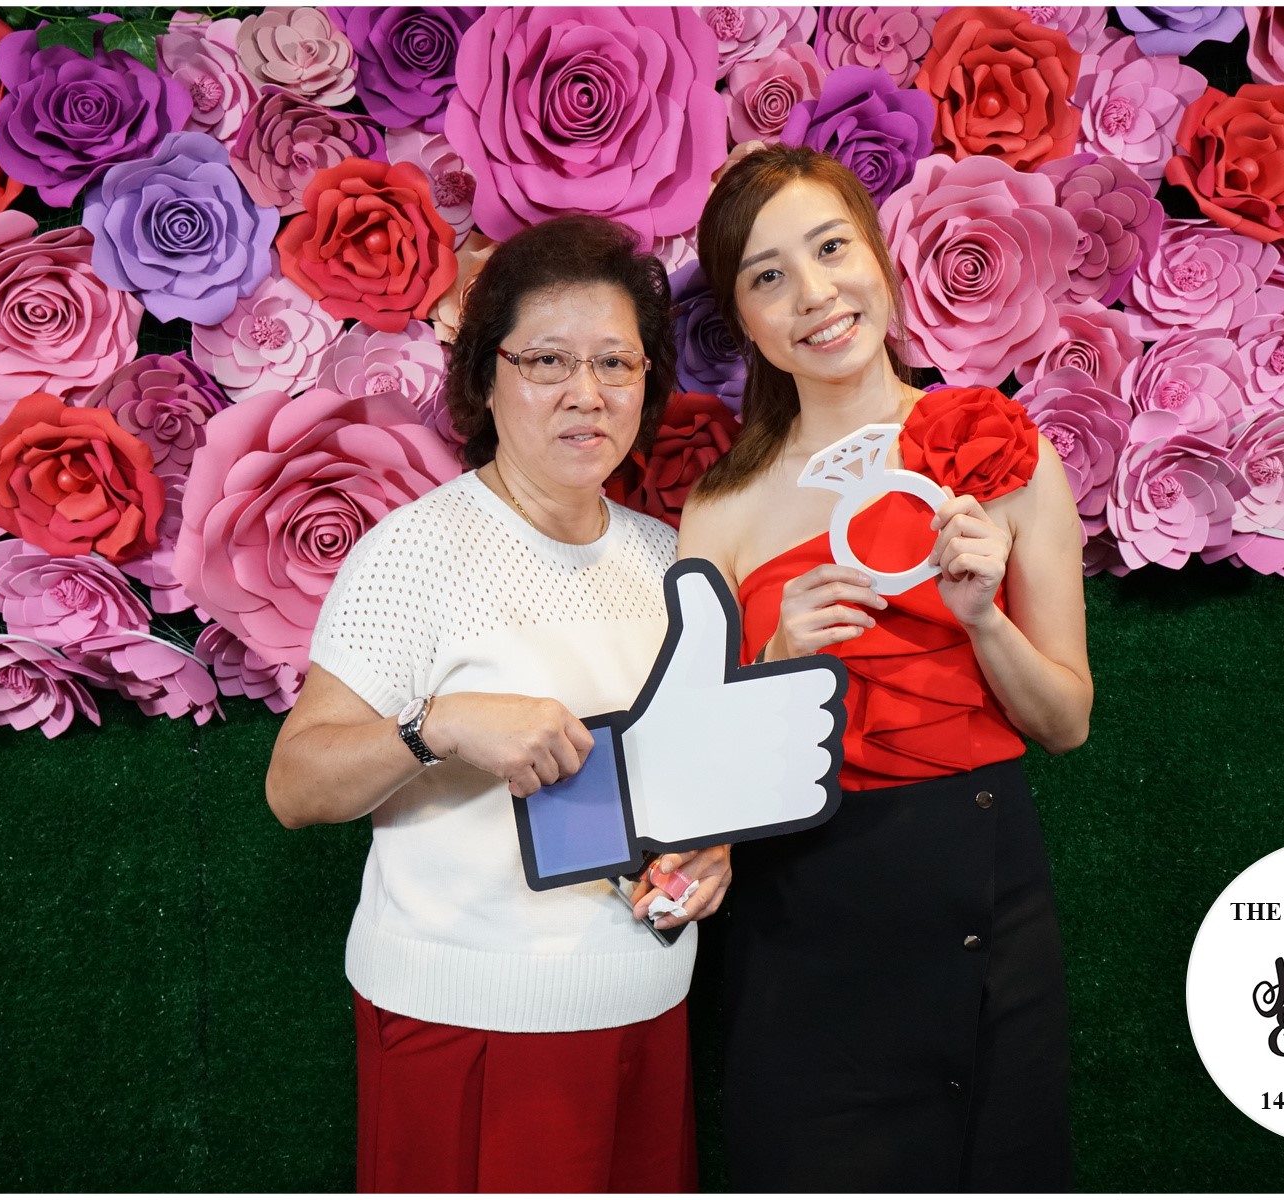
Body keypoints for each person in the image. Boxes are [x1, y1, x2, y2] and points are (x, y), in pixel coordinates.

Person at [265, 214, 729, 1193]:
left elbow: (687, 778)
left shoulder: (668, 560)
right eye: (548, 359)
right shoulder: (411, 552)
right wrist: (435, 727)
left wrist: (710, 853)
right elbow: (295, 787)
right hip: (465, 1025)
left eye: (617, 362)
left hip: (646, 1006)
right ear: (484, 375)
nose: (586, 392)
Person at [679, 145, 1093, 1191]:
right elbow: (696, 774)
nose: (814, 295)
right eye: (768, 275)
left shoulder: (1000, 453)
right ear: (743, 320)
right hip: (796, 931)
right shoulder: (721, 510)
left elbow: (1066, 722)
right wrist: (776, 659)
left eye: (831, 249)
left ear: (878, 253)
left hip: (981, 906)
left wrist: (983, 621)